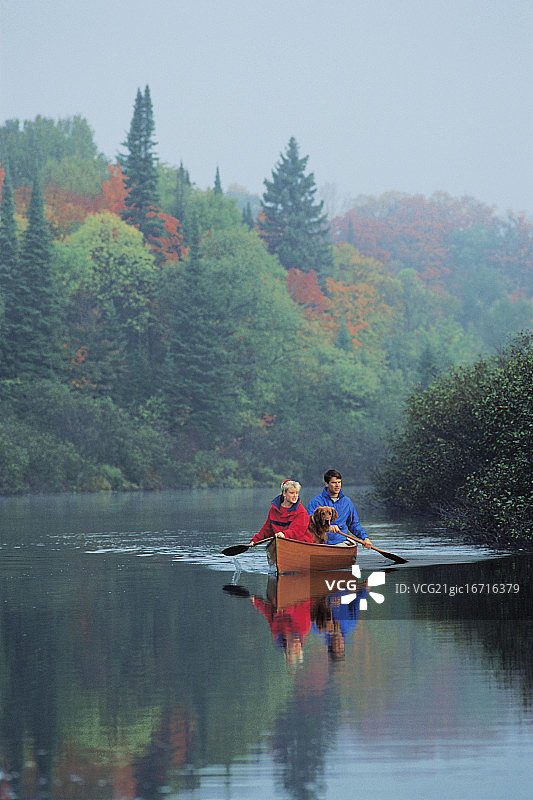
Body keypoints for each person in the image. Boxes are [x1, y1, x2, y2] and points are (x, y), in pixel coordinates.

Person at [307, 469, 372, 548]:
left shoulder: (347, 502)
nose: (337, 485)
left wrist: (365, 538)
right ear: (327, 484)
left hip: (340, 542)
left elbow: (353, 524)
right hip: (320, 543)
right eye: (334, 483)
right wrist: (328, 527)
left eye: (339, 482)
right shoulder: (316, 502)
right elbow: (309, 523)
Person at [249, 479, 311, 545]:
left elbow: (297, 530)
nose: (295, 496)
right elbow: (267, 529)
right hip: (280, 543)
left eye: (297, 493)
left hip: (300, 543)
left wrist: (284, 534)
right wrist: (255, 540)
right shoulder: (273, 510)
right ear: (284, 493)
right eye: (292, 493)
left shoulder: (302, 512)